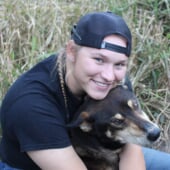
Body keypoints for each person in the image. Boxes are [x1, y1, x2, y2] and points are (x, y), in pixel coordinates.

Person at [0, 11, 169, 170]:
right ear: (72, 51)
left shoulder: (116, 80)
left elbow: (131, 149)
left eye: (119, 64)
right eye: (98, 60)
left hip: (105, 151)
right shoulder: (31, 105)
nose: (109, 76)